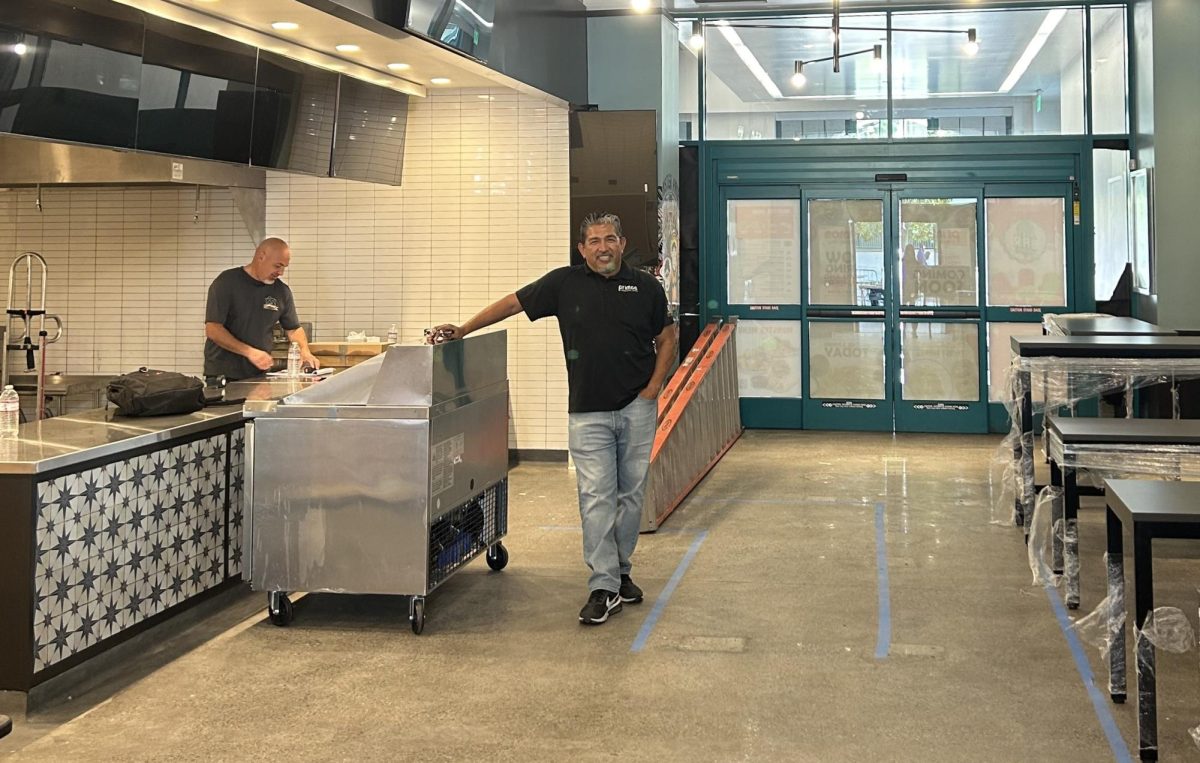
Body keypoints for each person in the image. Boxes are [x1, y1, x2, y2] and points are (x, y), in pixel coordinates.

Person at [431, 212, 677, 626]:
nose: (603, 247)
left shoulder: (646, 287)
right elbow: (514, 302)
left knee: (631, 497)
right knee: (597, 497)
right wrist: (465, 329)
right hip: (588, 413)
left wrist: (654, 388)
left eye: (610, 239)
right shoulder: (564, 283)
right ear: (582, 249)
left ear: (622, 242)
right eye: (594, 241)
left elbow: (667, 336)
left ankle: (620, 570)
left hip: (637, 408)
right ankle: (604, 586)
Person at [204, 237, 318, 382]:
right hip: (223, 374)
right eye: (277, 266)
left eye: (284, 267)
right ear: (261, 256)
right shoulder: (227, 282)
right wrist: (250, 352)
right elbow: (213, 329)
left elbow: (293, 329)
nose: (281, 272)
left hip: (259, 376)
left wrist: (305, 351)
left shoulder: (281, 291)